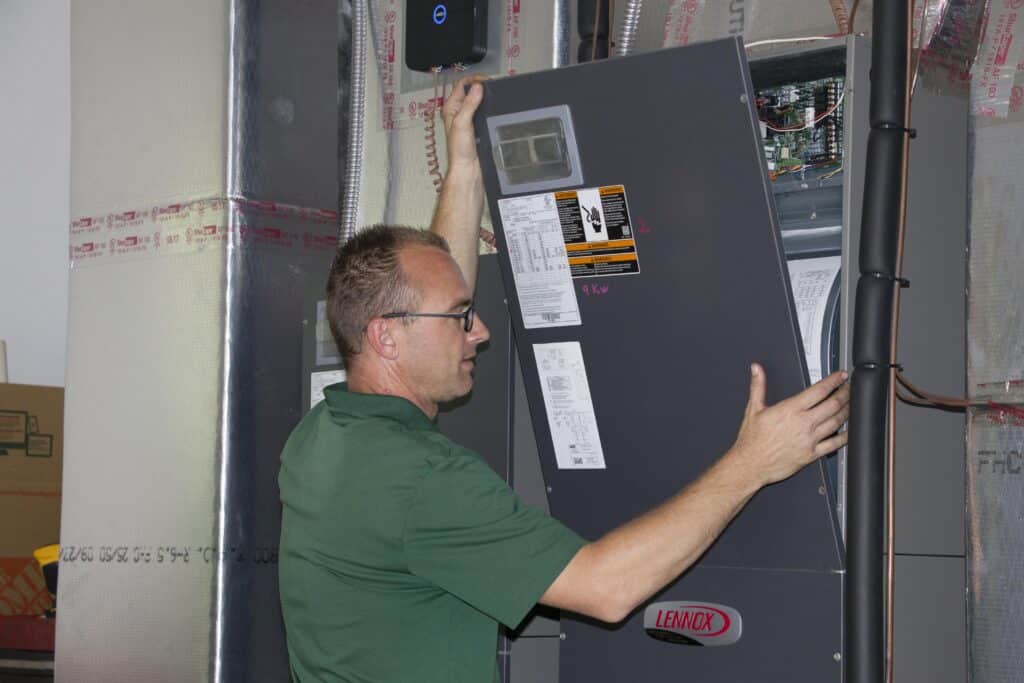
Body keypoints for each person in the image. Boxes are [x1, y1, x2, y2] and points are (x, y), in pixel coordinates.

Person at [278, 76, 850, 683]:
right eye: (460, 320)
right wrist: (753, 461)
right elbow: (605, 588)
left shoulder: (321, 437)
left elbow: (431, 291)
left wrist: (466, 166)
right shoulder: (424, 481)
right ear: (386, 337)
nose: (480, 333)